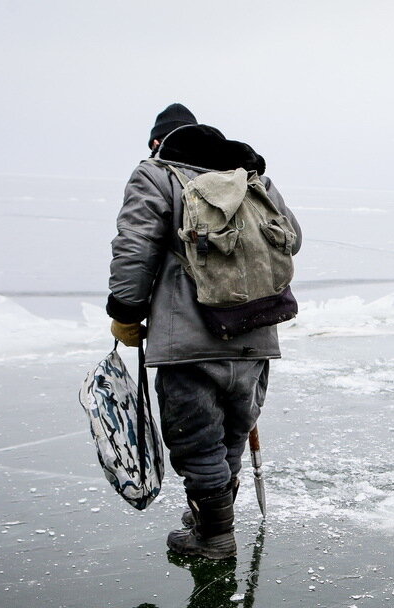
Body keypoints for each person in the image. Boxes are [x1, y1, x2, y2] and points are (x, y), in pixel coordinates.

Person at [107, 103, 301, 559]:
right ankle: (208, 518)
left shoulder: (156, 174)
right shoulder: (253, 179)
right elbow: (292, 237)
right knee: (232, 433)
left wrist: (126, 311)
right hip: (256, 331)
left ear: (159, 143)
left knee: (197, 443)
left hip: (188, 339)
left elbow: (135, 248)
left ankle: (213, 537)